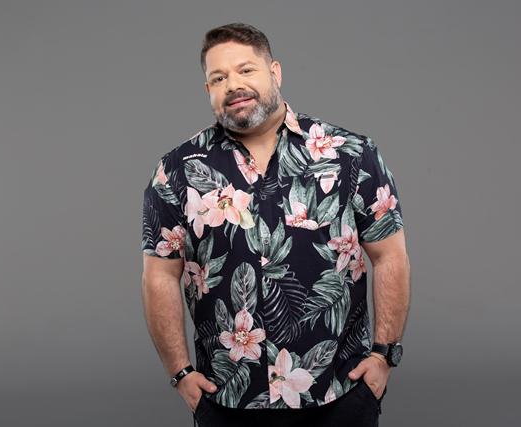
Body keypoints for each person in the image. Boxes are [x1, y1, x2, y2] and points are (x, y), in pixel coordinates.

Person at [140, 22, 411, 427]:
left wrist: (384, 355)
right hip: (228, 399)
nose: (234, 85)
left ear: (275, 72)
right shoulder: (178, 171)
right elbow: (160, 276)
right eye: (219, 78)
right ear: (208, 89)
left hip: (339, 393)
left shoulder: (350, 154)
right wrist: (180, 373)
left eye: (246, 70)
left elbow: (390, 256)